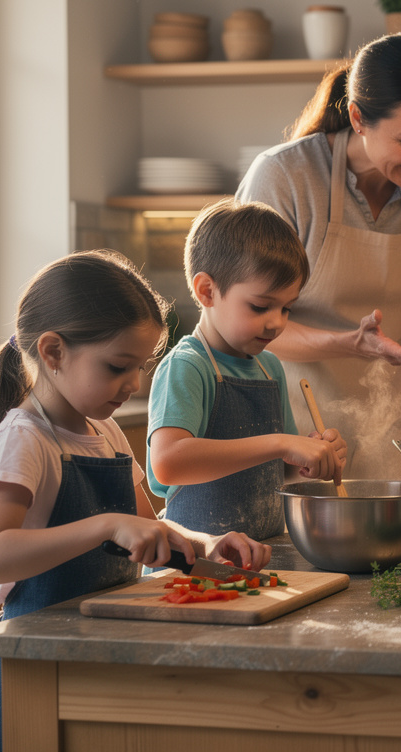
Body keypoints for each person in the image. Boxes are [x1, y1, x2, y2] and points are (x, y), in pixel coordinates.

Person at [0, 250, 271, 752]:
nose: (135, 383)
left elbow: (150, 527)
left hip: (96, 654)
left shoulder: (103, 430)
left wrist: (207, 544)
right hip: (36, 666)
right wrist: (104, 526)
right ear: (53, 351)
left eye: (141, 366)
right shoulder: (25, 439)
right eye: (119, 365)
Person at [236, 33, 401, 480]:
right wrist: (347, 344)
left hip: (386, 435)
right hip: (289, 430)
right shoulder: (285, 176)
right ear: (358, 118)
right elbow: (242, 324)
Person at [146, 198, 347, 540]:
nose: (276, 323)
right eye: (260, 306)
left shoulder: (269, 367)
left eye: (287, 308)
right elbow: (168, 462)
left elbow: (278, 469)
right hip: (195, 566)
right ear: (207, 291)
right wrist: (281, 443)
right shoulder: (187, 366)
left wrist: (310, 458)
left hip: (265, 552)